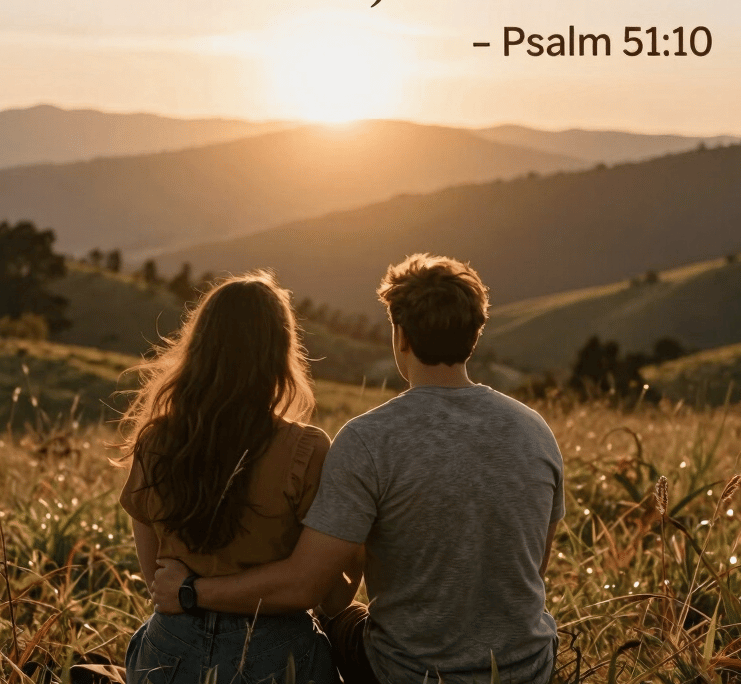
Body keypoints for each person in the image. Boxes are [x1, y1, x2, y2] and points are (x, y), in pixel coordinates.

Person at [152, 254, 565, 684]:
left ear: (400, 335)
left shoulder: (369, 439)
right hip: (527, 668)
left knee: (333, 622)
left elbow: (305, 589)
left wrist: (190, 591)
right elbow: (533, 569)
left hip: (405, 673)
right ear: (475, 334)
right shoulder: (535, 431)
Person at [118, 271, 360, 684]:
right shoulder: (306, 449)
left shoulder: (156, 441)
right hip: (275, 654)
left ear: (199, 347)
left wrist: (190, 591)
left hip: (169, 647)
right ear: (280, 353)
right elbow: (327, 595)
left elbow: (157, 581)